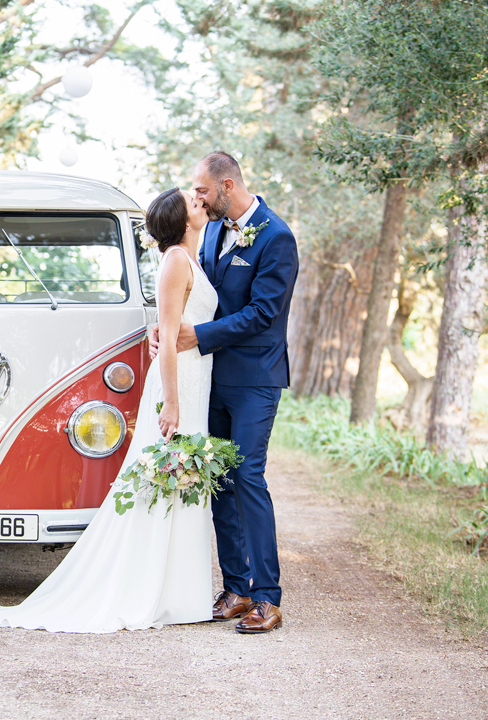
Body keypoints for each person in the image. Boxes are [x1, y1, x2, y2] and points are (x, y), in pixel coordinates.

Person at [0, 188, 217, 633]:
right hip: (179, 385)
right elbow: (166, 338)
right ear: (182, 220)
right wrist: (172, 402)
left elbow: (173, 326)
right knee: (165, 481)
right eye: (191, 201)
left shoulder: (191, 259)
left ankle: (179, 593)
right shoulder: (177, 260)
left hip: (196, 381)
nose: (199, 201)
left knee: (183, 483)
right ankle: (155, 592)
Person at [153, 151, 299, 634]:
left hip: (255, 379)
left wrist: (198, 336)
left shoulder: (276, 237)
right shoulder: (212, 230)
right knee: (220, 482)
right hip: (210, 377)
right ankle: (237, 587)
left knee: (249, 476)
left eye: (202, 190)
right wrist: (168, 329)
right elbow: (198, 294)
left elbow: (263, 313)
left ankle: (267, 597)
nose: (197, 198)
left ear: (228, 186)